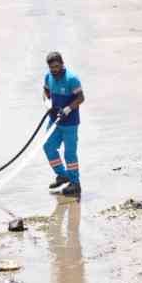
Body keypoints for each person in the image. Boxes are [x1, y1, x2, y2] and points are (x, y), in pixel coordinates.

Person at [41, 51, 85, 198]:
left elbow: (80, 97)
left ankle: (75, 183)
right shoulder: (48, 77)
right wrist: (47, 103)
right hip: (54, 121)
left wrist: (67, 109)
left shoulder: (72, 79)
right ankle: (62, 176)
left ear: (62, 64)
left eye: (56, 66)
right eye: (51, 67)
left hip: (70, 124)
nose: (54, 70)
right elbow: (45, 91)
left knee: (69, 154)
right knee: (48, 147)